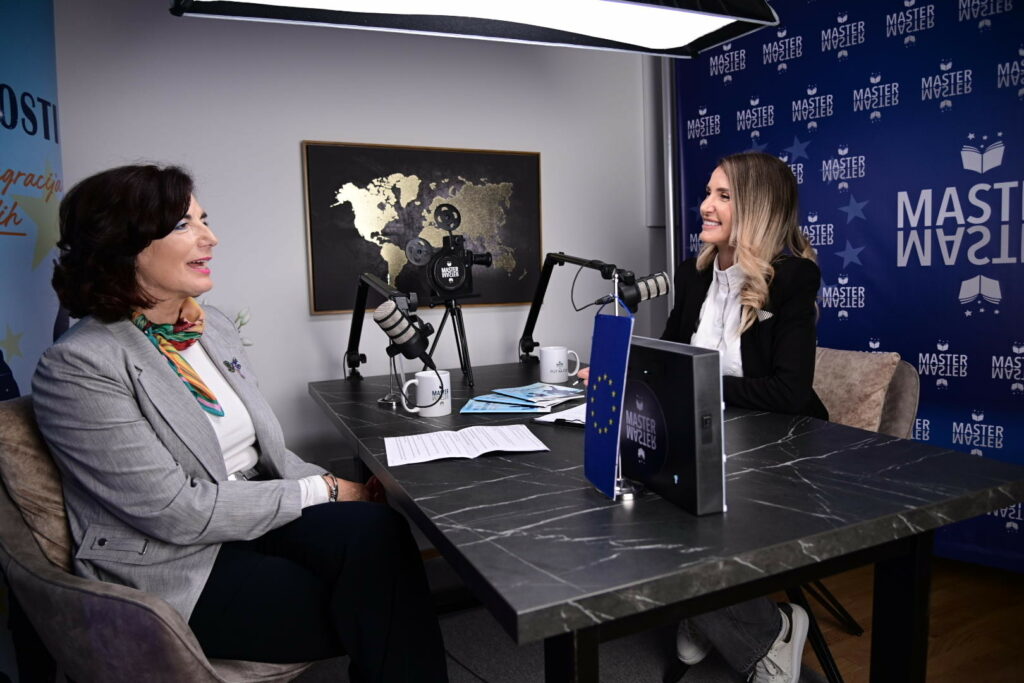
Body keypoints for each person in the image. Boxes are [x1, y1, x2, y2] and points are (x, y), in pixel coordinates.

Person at [32, 164, 448, 682]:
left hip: (252, 514)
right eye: (183, 225)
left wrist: (339, 488)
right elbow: (173, 512)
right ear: (122, 244)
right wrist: (326, 489)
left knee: (380, 533)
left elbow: (265, 453)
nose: (210, 238)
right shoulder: (79, 365)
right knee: (378, 600)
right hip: (177, 558)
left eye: (204, 220)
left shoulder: (211, 329)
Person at [580, 151, 824, 682]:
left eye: (723, 196)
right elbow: (666, 361)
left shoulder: (792, 277)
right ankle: (717, 613)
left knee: (670, 514)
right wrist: (618, 372)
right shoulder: (695, 277)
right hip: (712, 438)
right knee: (632, 494)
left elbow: (789, 392)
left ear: (757, 208)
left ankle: (767, 633)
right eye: (708, 192)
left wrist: (697, 385)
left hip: (779, 454)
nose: (705, 206)